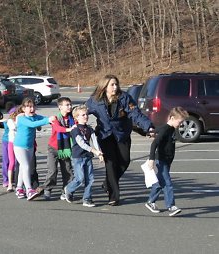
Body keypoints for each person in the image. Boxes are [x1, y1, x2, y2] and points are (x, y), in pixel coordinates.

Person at [86, 74, 154, 206]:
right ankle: (113, 196)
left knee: (124, 161)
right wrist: (69, 118)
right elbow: (82, 111)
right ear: (104, 86)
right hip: (105, 135)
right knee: (110, 164)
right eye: (112, 85)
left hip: (122, 134)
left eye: (116, 84)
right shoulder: (95, 100)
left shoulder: (124, 98)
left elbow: (136, 114)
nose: (115, 87)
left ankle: (107, 183)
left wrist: (149, 127)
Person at [144, 107, 189, 216]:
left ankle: (150, 202)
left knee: (160, 183)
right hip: (161, 160)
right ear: (172, 118)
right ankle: (171, 206)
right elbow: (154, 144)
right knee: (167, 184)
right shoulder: (166, 129)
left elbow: (157, 130)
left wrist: (152, 132)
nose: (181, 124)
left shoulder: (170, 128)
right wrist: (151, 159)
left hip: (167, 161)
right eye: (180, 122)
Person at [13, 98, 55, 201]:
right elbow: (32, 124)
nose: (32, 109)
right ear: (23, 109)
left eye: (33, 106)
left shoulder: (35, 116)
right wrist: (47, 120)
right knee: (26, 166)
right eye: (29, 107)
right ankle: (29, 190)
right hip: (19, 146)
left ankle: (19, 188)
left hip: (30, 146)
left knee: (24, 168)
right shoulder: (22, 118)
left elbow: (43, 118)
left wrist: (52, 118)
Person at [64, 105, 104, 207]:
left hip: (88, 156)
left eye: (86, 114)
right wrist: (94, 150)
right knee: (80, 178)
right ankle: (68, 189)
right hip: (78, 156)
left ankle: (87, 198)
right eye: (82, 115)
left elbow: (94, 140)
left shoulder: (89, 128)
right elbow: (81, 143)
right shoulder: (75, 129)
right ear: (76, 117)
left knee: (90, 178)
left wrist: (99, 152)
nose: (85, 116)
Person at [37, 97, 76, 200]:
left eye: (70, 104)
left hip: (65, 148)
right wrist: (69, 129)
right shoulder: (55, 118)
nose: (69, 107)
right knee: (52, 170)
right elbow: (58, 128)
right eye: (67, 105)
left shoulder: (73, 118)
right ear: (60, 107)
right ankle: (47, 188)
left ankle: (66, 190)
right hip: (53, 148)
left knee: (67, 170)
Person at [1, 102, 17, 188]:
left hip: (16, 142)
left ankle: (13, 178)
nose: (15, 114)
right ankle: (6, 179)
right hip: (6, 141)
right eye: (13, 113)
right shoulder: (8, 121)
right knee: (6, 161)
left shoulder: (18, 119)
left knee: (15, 161)